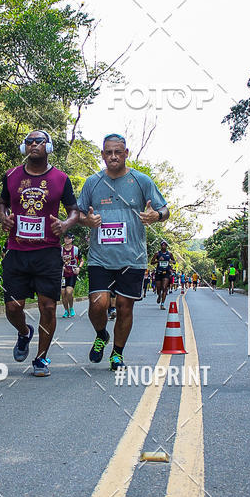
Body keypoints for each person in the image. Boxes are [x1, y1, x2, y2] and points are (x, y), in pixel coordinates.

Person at [78, 134, 168, 371]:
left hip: (132, 258)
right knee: (98, 304)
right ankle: (101, 334)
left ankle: (117, 354)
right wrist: (88, 220)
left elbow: (165, 209)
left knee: (125, 307)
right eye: (108, 152)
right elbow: (77, 214)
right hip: (100, 257)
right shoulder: (92, 182)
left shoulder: (141, 181)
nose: (113, 156)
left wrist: (155, 216)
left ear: (126, 153)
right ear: (102, 155)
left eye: (118, 152)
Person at [0, 129, 79, 377]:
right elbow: (2, 203)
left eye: (38, 141)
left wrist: (65, 225)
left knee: (48, 307)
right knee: (13, 307)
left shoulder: (60, 178)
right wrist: (4, 217)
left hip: (47, 253)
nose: (33, 145)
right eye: (29, 142)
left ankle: (41, 358)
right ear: (24, 148)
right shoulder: (11, 175)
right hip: (16, 251)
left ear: (49, 147)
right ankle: (24, 332)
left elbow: (74, 210)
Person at [61, 233, 83, 318]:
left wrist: (79, 268)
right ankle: (66, 311)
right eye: (65, 238)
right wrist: (60, 266)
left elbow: (81, 260)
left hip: (72, 272)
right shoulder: (61, 250)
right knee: (63, 293)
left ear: (72, 239)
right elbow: (56, 260)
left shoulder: (76, 249)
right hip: (63, 274)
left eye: (68, 238)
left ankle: (71, 308)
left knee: (69, 292)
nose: (67, 240)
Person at [153, 240, 175, 309]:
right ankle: (159, 295)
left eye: (165, 245)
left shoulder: (170, 254)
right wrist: (158, 260)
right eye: (162, 245)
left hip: (166, 272)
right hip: (159, 272)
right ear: (160, 246)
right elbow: (152, 262)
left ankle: (162, 304)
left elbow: (174, 261)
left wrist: (171, 261)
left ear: (167, 246)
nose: (163, 246)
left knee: (164, 288)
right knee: (158, 288)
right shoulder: (157, 254)